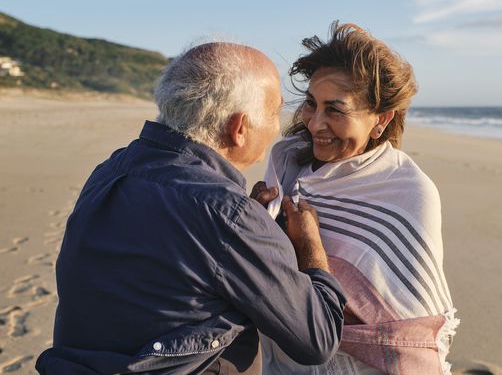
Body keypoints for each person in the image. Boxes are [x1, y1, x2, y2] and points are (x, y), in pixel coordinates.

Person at [36, 43, 347, 375]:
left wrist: (247, 229)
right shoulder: (228, 216)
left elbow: (169, 259)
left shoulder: (111, 170)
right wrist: (308, 244)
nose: (277, 127)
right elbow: (318, 339)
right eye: (275, 112)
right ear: (239, 128)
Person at [260, 23, 459, 375]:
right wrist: (254, 222)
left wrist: (308, 245)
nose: (315, 123)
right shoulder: (287, 165)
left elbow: (405, 328)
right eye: (311, 104)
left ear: (380, 119)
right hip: (280, 357)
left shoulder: (407, 192)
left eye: (335, 110)